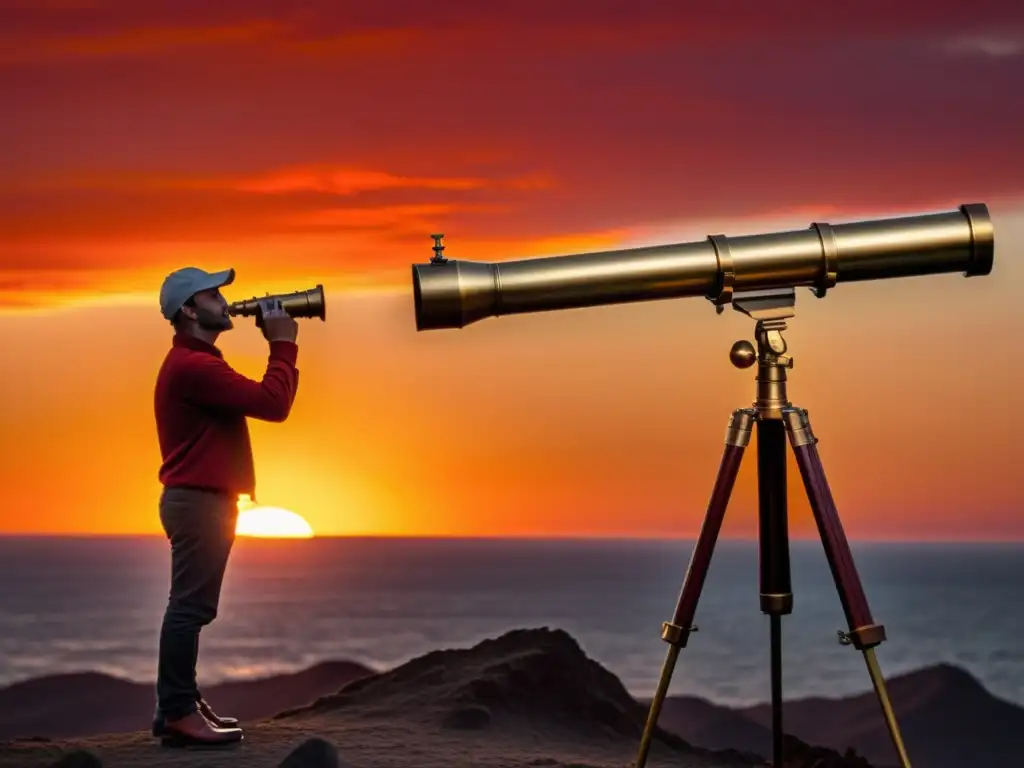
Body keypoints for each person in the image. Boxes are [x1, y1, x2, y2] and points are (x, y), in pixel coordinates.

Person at [151, 266, 300, 747]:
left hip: (201, 500)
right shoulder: (196, 368)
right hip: (199, 502)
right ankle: (177, 711)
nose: (224, 301)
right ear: (190, 310)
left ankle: (180, 705)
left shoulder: (197, 362)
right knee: (189, 609)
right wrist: (282, 343)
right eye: (213, 295)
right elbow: (273, 403)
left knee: (192, 608)